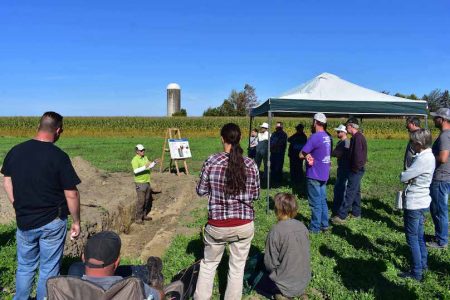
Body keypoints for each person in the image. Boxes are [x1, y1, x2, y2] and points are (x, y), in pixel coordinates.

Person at [0, 111, 81, 300]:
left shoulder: (16, 151)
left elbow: (7, 181)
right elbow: (72, 193)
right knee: (49, 268)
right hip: (53, 221)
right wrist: (76, 221)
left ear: (39, 126)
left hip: (25, 220)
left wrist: (17, 204)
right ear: (58, 130)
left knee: (25, 267)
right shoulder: (59, 156)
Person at [194, 123, 260, 299]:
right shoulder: (251, 164)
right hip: (244, 224)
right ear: (240, 139)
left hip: (217, 225)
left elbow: (200, 191)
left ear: (222, 138)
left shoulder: (212, 161)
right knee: (237, 268)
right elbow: (256, 194)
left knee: (208, 265)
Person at [254, 193, 311, 299]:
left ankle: (280, 294)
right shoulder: (302, 226)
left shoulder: (276, 230)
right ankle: (299, 292)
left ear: (277, 209)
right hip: (304, 280)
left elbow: (270, 263)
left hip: (284, 283)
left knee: (254, 279)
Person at [80, 231, 164, 299]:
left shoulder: (70, 286)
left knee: (75, 268)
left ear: (83, 258)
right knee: (142, 274)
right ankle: (153, 277)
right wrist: (156, 287)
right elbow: (160, 296)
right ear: (117, 262)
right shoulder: (132, 286)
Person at [399, 129, 435, 281]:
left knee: (412, 238)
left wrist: (405, 176)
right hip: (423, 201)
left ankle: (416, 272)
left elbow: (405, 176)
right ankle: (423, 264)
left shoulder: (422, 159)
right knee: (419, 236)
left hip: (415, 202)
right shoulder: (428, 156)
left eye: (413, 142)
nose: (411, 144)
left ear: (419, 144)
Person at [300, 113, 331, 233]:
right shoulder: (327, 136)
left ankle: (314, 228)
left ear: (315, 122)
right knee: (322, 200)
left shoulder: (315, 137)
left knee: (315, 203)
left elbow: (301, 154)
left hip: (314, 174)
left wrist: (306, 154)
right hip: (324, 173)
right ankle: (325, 225)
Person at [332, 117, 367, 225]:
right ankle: (356, 213)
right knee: (356, 191)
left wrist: (354, 169)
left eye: (347, 126)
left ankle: (341, 216)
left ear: (351, 126)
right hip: (357, 168)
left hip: (356, 169)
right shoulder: (357, 137)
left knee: (350, 192)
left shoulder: (357, 138)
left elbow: (357, 155)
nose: (346, 128)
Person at [428, 108, 450, 249]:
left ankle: (441, 241)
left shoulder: (444, 137)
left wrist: (427, 157)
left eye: (436, 117)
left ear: (442, 119)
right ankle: (440, 235)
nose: (433, 120)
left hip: (440, 178)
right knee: (439, 209)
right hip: (445, 177)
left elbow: (442, 158)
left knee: (438, 210)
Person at [131, 144, 157, 224]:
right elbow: (135, 171)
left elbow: (148, 166)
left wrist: (154, 163)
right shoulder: (135, 160)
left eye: (143, 150)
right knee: (141, 201)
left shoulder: (145, 157)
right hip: (140, 183)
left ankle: (144, 215)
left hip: (147, 181)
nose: (143, 151)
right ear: (137, 151)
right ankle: (138, 219)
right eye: (141, 150)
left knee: (146, 200)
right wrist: (145, 167)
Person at [331, 124, 350, 216]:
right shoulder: (340, 142)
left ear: (344, 132)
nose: (337, 133)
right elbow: (335, 152)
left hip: (345, 168)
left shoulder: (346, 143)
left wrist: (335, 153)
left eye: (339, 131)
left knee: (341, 189)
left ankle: (339, 209)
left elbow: (338, 153)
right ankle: (337, 207)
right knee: (338, 188)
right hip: (341, 167)